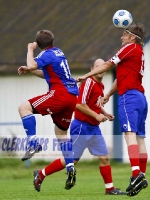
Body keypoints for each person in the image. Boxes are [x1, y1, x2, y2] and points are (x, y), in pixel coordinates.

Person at [33, 58, 127, 195]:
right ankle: (41, 174)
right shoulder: (88, 82)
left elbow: (94, 104)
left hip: (94, 128)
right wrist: (96, 116)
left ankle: (110, 189)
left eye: (102, 66)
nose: (100, 69)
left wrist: (105, 113)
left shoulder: (100, 86)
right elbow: (79, 104)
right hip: (82, 126)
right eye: (97, 66)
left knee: (104, 157)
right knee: (72, 160)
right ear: (92, 69)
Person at [76, 23, 148, 197]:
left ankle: (136, 174)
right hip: (140, 98)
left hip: (129, 97)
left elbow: (108, 65)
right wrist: (108, 94)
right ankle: (141, 175)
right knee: (139, 138)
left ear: (132, 37)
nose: (121, 37)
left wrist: (86, 75)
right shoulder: (138, 52)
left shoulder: (129, 48)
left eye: (124, 34)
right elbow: (122, 76)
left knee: (129, 134)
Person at [17, 30, 79, 189]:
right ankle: (70, 166)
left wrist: (30, 50)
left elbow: (33, 64)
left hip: (60, 94)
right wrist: (30, 69)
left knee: (24, 107)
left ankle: (33, 143)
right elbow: (48, 74)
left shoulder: (46, 54)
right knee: (61, 133)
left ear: (38, 44)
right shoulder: (57, 52)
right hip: (72, 96)